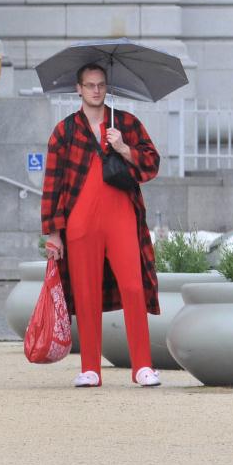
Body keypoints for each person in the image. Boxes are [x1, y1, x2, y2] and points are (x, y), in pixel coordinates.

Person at [42, 62, 162, 388]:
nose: (96, 90)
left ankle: (142, 367)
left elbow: (152, 164)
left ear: (107, 87)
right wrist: (54, 234)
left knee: (134, 288)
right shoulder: (64, 131)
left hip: (122, 216)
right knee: (86, 292)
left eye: (101, 85)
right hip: (80, 220)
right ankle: (90, 368)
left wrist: (123, 147)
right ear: (78, 89)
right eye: (90, 85)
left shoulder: (125, 123)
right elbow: (52, 184)